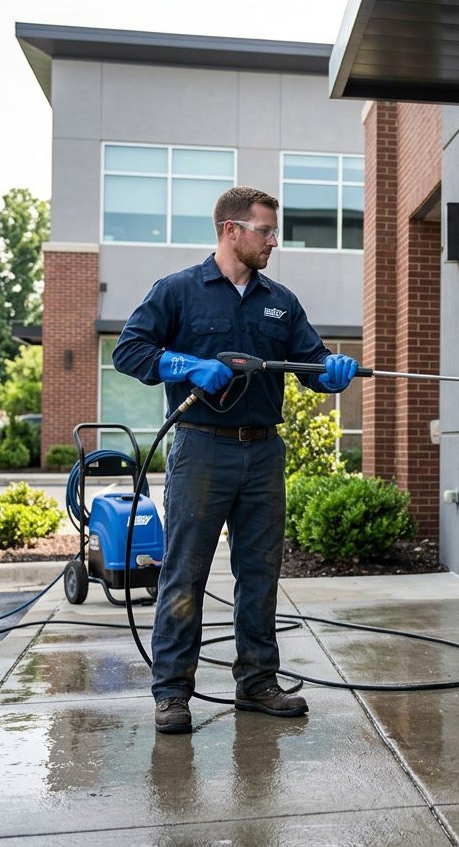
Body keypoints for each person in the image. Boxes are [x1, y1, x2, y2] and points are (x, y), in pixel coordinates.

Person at [113, 186, 357, 733]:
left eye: (274, 231)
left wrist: (331, 371)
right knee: (185, 573)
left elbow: (312, 362)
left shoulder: (281, 300)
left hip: (263, 451)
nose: (274, 241)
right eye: (266, 231)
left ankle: (257, 682)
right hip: (201, 449)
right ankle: (173, 692)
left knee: (260, 572)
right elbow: (128, 350)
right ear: (231, 230)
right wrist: (184, 364)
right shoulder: (178, 291)